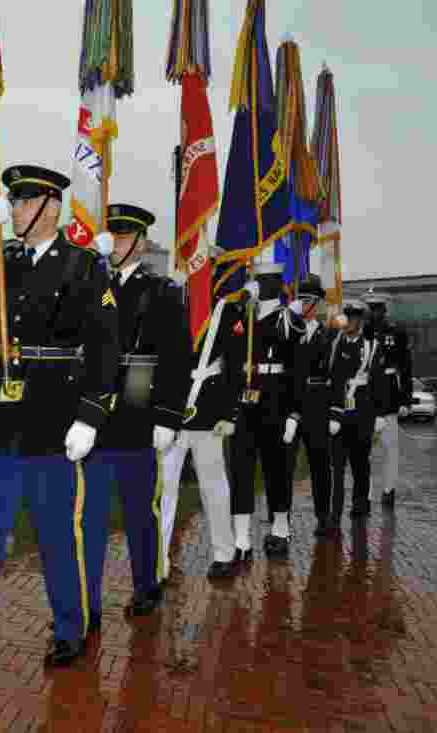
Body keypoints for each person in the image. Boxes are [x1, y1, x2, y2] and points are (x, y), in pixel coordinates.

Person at [0, 164, 119, 673]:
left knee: (56, 533)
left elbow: (105, 348)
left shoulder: (83, 266)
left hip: (53, 416)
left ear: (50, 207)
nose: (15, 210)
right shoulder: (7, 261)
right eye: (13, 202)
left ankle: (69, 628)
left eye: (22, 202)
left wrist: (90, 416)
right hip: (2, 414)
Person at [81, 203, 191, 620]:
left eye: (125, 236)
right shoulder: (92, 283)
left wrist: (167, 416)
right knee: (89, 517)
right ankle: (87, 600)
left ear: (142, 244)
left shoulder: (161, 292)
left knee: (140, 512)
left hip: (138, 407)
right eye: (113, 235)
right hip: (94, 413)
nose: (116, 243)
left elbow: (177, 359)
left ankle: (146, 584)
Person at [162, 254, 248, 578]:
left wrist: (229, 413)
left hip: (209, 408)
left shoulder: (227, 311)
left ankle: (224, 553)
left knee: (214, 487)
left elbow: (235, 367)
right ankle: (158, 560)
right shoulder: (172, 305)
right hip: (172, 409)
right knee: (164, 488)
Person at [227, 261, 305, 559]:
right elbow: (231, 360)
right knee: (241, 468)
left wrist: (294, 412)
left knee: (277, 468)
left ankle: (281, 528)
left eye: (264, 281)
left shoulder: (288, 320)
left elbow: (298, 369)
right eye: (256, 280)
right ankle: (242, 538)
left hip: (275, 398)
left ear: (276, 284)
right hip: (245, 400)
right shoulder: (243, 315)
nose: (258, 286)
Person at [327, 299, 389, 528]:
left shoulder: (372, 346)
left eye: (354, 319)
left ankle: (360, 506)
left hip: (363, 412)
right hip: (341, 412)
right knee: (337, 466)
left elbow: (379, 381)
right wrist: (334, 413)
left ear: (360, 321)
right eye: (347, 318)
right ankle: (334, 513)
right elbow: (333, 380)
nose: (349, 322)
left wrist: (380, 413)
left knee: (360, 463)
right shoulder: (336, 344)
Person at [285, 275, 334, 537]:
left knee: (320, 464)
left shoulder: (328, 334)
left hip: (316, 404)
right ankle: (281, 519)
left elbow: (334, 375)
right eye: (301, 300)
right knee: (284, 464)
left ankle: (323, 516)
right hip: (290, 404)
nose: (304, 305)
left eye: (309, 300)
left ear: (318, 303)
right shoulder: (288, 330)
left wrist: (334, 410)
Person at [361, 288, 412, 508]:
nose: (375, 313)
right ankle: (364, 493)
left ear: (385, 309)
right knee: (363, 450)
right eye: (371, 309)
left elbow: (405, 367)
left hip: (390, 396)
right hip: (365, 396)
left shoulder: (396, 332)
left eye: (378, 309)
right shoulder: (361, 332)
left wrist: (406, 399)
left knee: (390, 448)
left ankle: (388, 490)